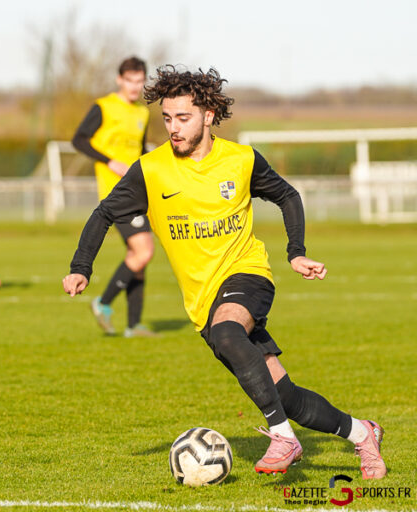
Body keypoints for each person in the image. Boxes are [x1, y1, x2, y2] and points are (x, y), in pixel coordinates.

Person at [62, 65, 386, 479]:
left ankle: (283, 437)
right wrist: (80, 267)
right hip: (202, 301)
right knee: (284, 395)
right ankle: (362, 434)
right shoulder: (151, 169)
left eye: (183, 118)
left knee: (228, 333)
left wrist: (296, 252)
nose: (173, 128)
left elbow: (286, 194)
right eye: (167, 118)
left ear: (208, 115)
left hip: (247, 273)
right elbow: (105, 212)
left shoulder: (241, 160)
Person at [71, 56, 156, 337]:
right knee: (144, 251)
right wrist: (109, 161)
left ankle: (134, 324)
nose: (134, 86)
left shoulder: (142, 113)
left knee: (138, 257)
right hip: (116, 194)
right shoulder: (104, 107)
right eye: (129, 80)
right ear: (120, 79)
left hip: (139, 192)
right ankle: (103, 302)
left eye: (139, 80)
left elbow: (142, 150)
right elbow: (79, 139)